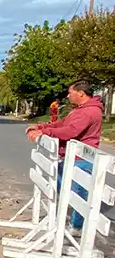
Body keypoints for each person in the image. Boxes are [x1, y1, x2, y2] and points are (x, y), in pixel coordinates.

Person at [26, 80, 103, 230]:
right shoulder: (79, 110)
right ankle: (65, 220)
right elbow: (62, 124)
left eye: (70, 92)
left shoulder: (89, 111)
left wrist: (44, 131)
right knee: (61, 186)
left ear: (81, 93)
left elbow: (70, 131)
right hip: (69, 156)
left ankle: (77, 227)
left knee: (78, 194)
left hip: (81, 159)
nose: (68, 96)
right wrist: (41, 126)